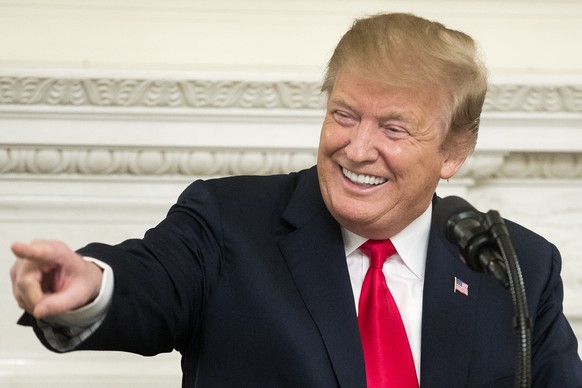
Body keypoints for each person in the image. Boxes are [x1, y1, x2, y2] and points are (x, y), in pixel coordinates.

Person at [9, 12, 582, 388]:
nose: (358, 149)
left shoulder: (514, 266)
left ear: (454, 151)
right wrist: (91, 286)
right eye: (344, 115)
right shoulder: (229, 223)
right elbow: (149, 283)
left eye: (394, 129)